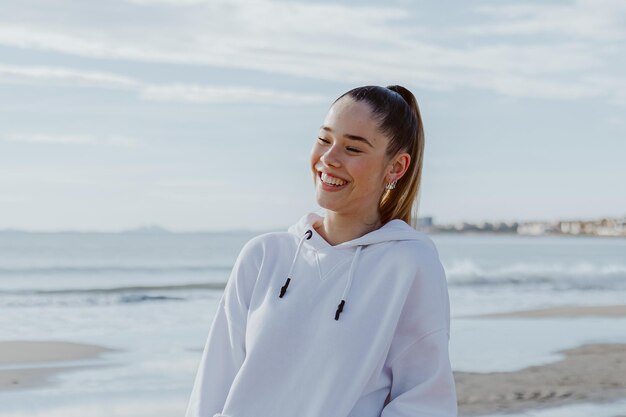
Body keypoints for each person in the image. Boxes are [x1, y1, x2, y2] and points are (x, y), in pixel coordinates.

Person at [184, 85, 457, 417]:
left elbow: (424, 401)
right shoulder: (263, 256)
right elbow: (212, 388)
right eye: (325, 140)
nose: (329, 159)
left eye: (353, 148)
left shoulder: (409, 264)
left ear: (396, 168)